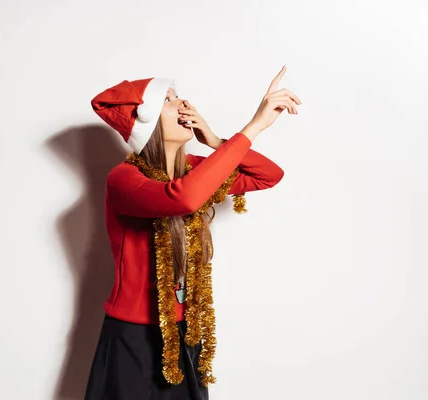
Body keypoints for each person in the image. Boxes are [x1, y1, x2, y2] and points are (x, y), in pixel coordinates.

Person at [84, 66, 301, 400]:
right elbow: (184, 198)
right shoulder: (124, 179)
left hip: (186, 332)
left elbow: (268, 176)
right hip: (134, 336)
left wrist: (214, 141)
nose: (183, 102)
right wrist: (254, 126)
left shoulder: (196, 170)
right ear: (149, 121)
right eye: (168, 100)